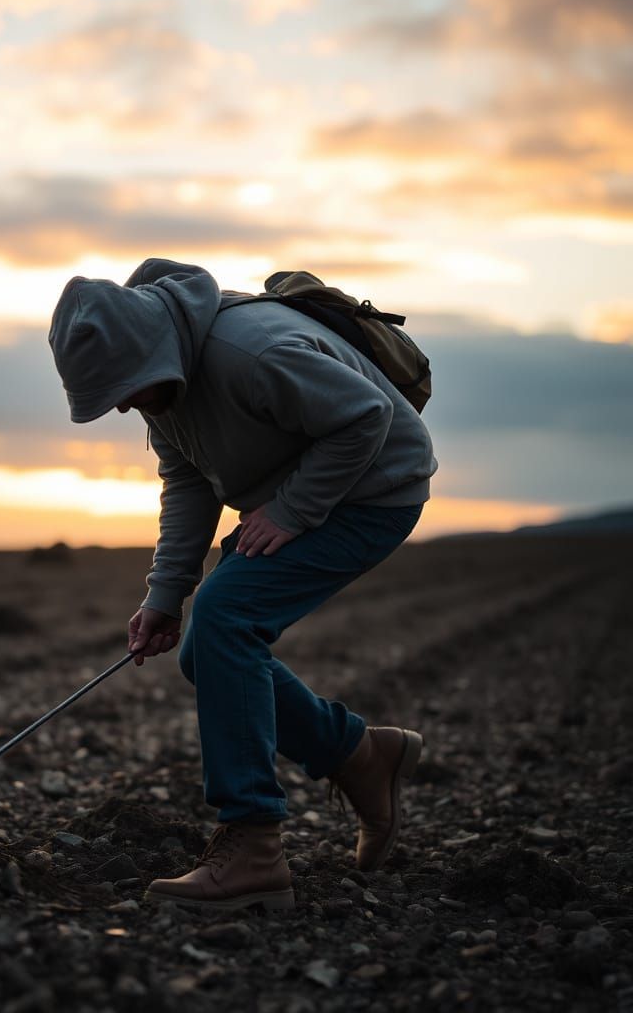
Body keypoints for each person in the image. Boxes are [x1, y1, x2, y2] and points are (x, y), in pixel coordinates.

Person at [48, 258, 437, 911]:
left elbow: (365, 417)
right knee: (208, 649)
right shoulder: (161, 380)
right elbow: (189, 481)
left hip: (377, 491)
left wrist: (291, 512)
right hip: (306, 489)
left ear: (152, 353)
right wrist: (164, 596)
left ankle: (253, 845)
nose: (123, 403)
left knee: (227, 618)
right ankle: (360, 755)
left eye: (125, 387)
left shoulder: (251, 353)